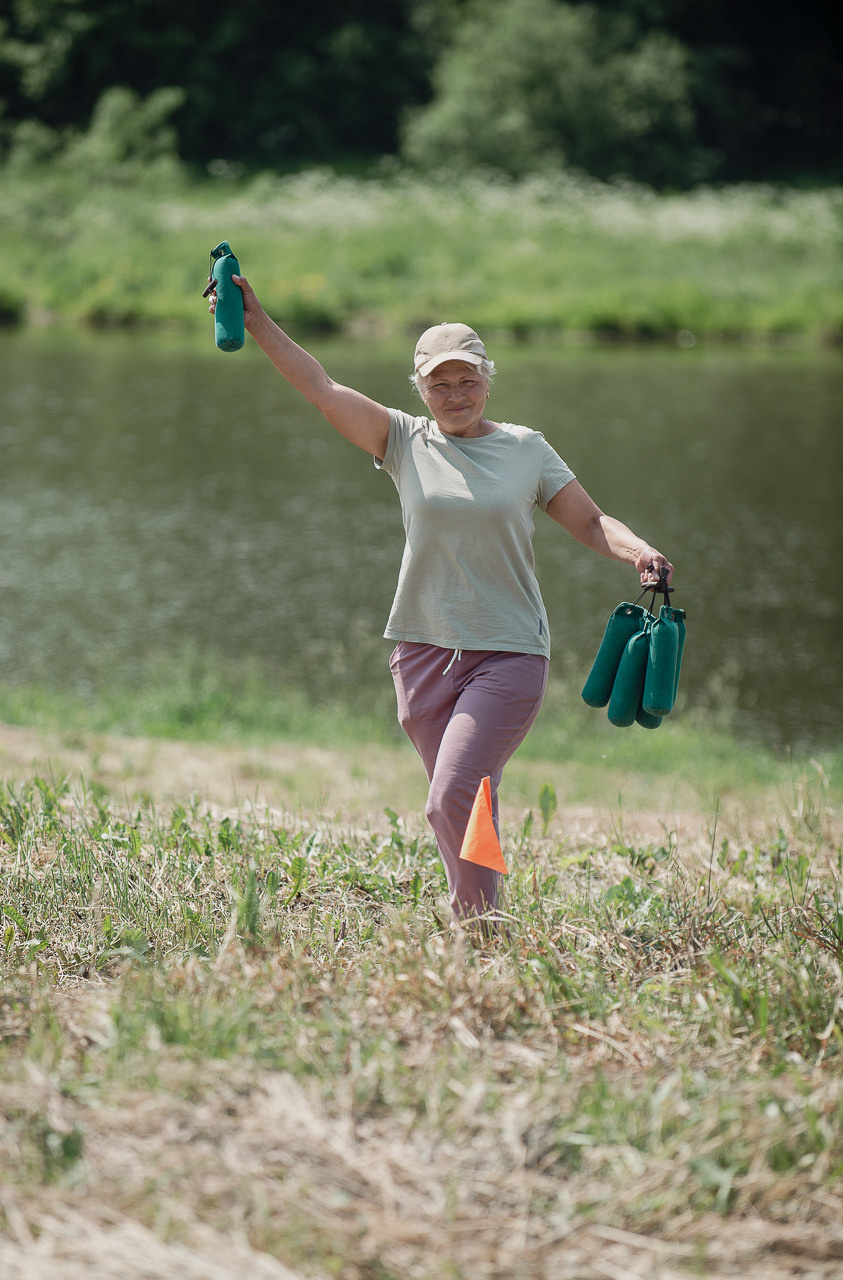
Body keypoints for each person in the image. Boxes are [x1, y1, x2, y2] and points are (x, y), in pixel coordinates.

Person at [207, 274, 674, 924]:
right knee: (468, 800)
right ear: (420, 388)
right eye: (438, 383)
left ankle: (475, 928)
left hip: (508, 653)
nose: (454, 394)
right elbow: (321, 388)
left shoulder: (525, 449)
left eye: (467, 380)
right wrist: (255, 321)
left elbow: (590, 523)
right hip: (421, 654)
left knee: (447, 797)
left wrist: (638, 551)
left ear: (488, 378)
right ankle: (485, 920)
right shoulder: (403, 441)